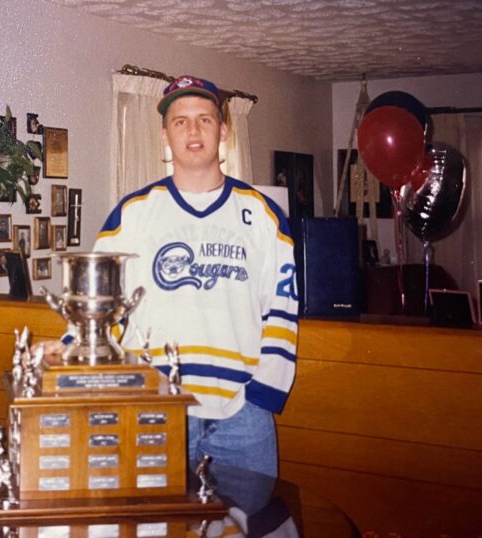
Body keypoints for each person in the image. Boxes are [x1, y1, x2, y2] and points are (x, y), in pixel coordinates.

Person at [44, 75, 298, 477]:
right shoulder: (131, 214)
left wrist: (261, 397)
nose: (193, 131)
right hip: (152, 412)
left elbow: (282, 313)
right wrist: (70, 345)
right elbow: (101, 305)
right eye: (180, 122)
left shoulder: (265, 217)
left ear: (224, 131)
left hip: (242, 419)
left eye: (204, 119)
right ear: (165, 135)